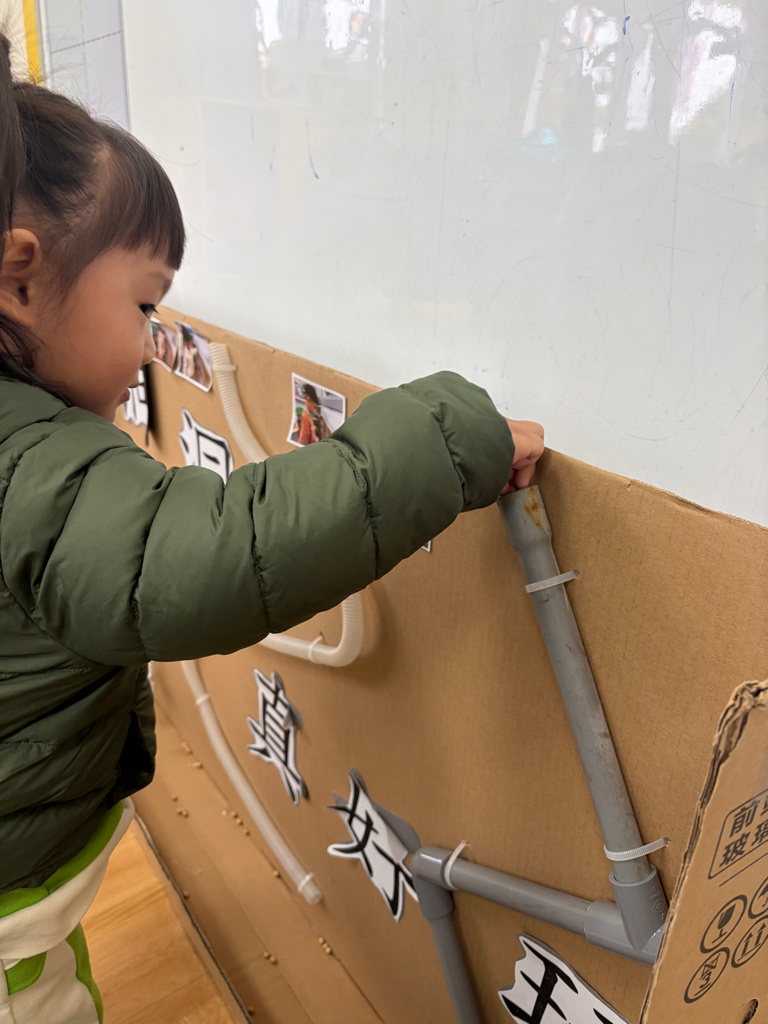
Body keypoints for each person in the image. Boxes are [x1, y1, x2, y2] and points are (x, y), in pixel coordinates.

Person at [0, 37, 544, 1024]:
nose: (149, 342)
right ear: (19, 278)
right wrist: (452, 436)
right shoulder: (28, 458)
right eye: (144, 304)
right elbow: (205, 556)